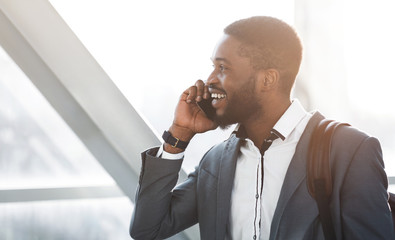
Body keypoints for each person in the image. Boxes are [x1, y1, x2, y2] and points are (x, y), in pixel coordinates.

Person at [129, 16, 395, 240]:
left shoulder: (349, 151)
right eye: (213, 66)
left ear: (267, 79)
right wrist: (178, 135)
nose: (209, 79)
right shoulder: (216, 162)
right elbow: (147, 229)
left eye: (223, 67)